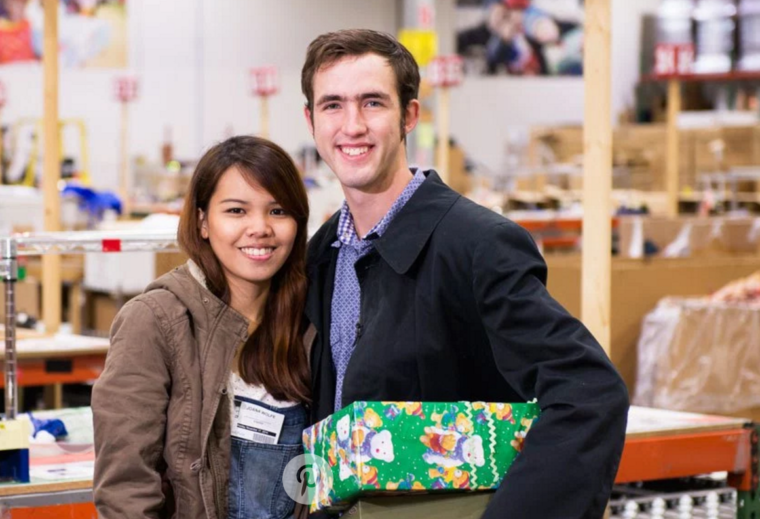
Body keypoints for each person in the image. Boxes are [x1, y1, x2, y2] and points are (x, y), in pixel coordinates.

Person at [301, 29, 629, 518]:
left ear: (409, 115)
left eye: (372, 103)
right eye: (332, 105)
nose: (352, 125)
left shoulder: (477, 246)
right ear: (310, 121)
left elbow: (589, 393)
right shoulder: (325, 252)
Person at [92, 136, 311, 519]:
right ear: (202, 221)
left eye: (278, 211)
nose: (260, 228)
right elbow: (126, 488)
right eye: (237, 211)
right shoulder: (155, 321)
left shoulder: (308, 322)